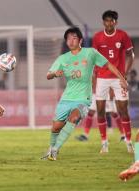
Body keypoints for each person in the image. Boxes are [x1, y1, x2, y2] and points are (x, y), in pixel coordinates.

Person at [41, 27, 127, 161]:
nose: (70, 40)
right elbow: (48, 75)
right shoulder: (63, 58)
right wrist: (54, 74)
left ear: (80, 40)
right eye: (68, 38)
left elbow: (108, 65)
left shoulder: (90, 53)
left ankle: (55, 150)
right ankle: (50, 149)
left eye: (73, 37)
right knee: (56, 127)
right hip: (66, 98)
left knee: (74, 118)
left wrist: (121, 78)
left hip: (84, 99)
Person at [93, 10, 135, 153]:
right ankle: (104, 143)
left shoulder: (122, 35)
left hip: (118, 79)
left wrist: (125, 73)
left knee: (123, 110)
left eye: (112, 21)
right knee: (100, 110)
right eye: (107, 20)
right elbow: (94, 59)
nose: (109, 23)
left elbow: (131, 55)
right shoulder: (97, 37)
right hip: (102, 78)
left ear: (116, 22)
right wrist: (93, 77)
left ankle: (129, 142)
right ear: (103, 22)